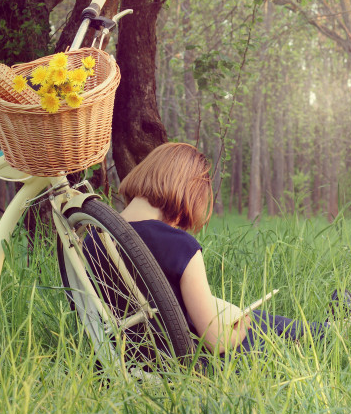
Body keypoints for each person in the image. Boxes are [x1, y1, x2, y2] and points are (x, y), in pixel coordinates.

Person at [117, 142, 327, 354]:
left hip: (125, 356)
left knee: (260, 320)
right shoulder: (178, 245)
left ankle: (329, 328)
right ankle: (331, 331)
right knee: (256, 324)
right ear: (185, 194)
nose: (178, 226)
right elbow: (217, 342)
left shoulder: (92, 238)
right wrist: (241, 330)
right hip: (187, 360)